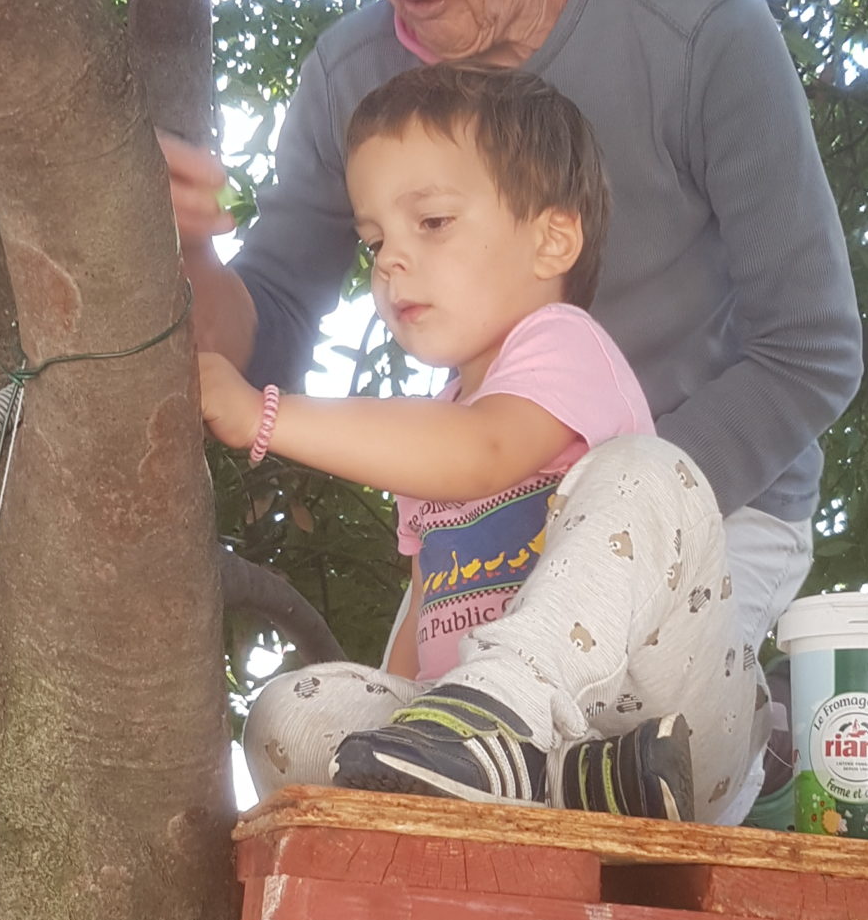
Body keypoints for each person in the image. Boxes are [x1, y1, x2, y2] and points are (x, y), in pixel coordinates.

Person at [169, 0, 862, 819]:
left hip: (697, 511)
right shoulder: (351, 75)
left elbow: (810, 351)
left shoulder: (702, 40)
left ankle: (708, 739)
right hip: (478, 544)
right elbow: (270, 324)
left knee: (629, 485)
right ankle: (557, 766)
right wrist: (184, 250)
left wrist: (581, 512)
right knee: (304, 724)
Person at [196, 65, 768, 821]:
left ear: (552, 240)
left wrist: (262, 416)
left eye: (432, 222)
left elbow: (481, 452)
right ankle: (542, 774)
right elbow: (422, 615)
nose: (390, 260)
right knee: (289, 712)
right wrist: (394, 716)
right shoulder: (436, 433)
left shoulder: (564, 345)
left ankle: (503, 715)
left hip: (670, 732)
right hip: (557, 775)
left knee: (653, 471)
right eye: (374, 241)